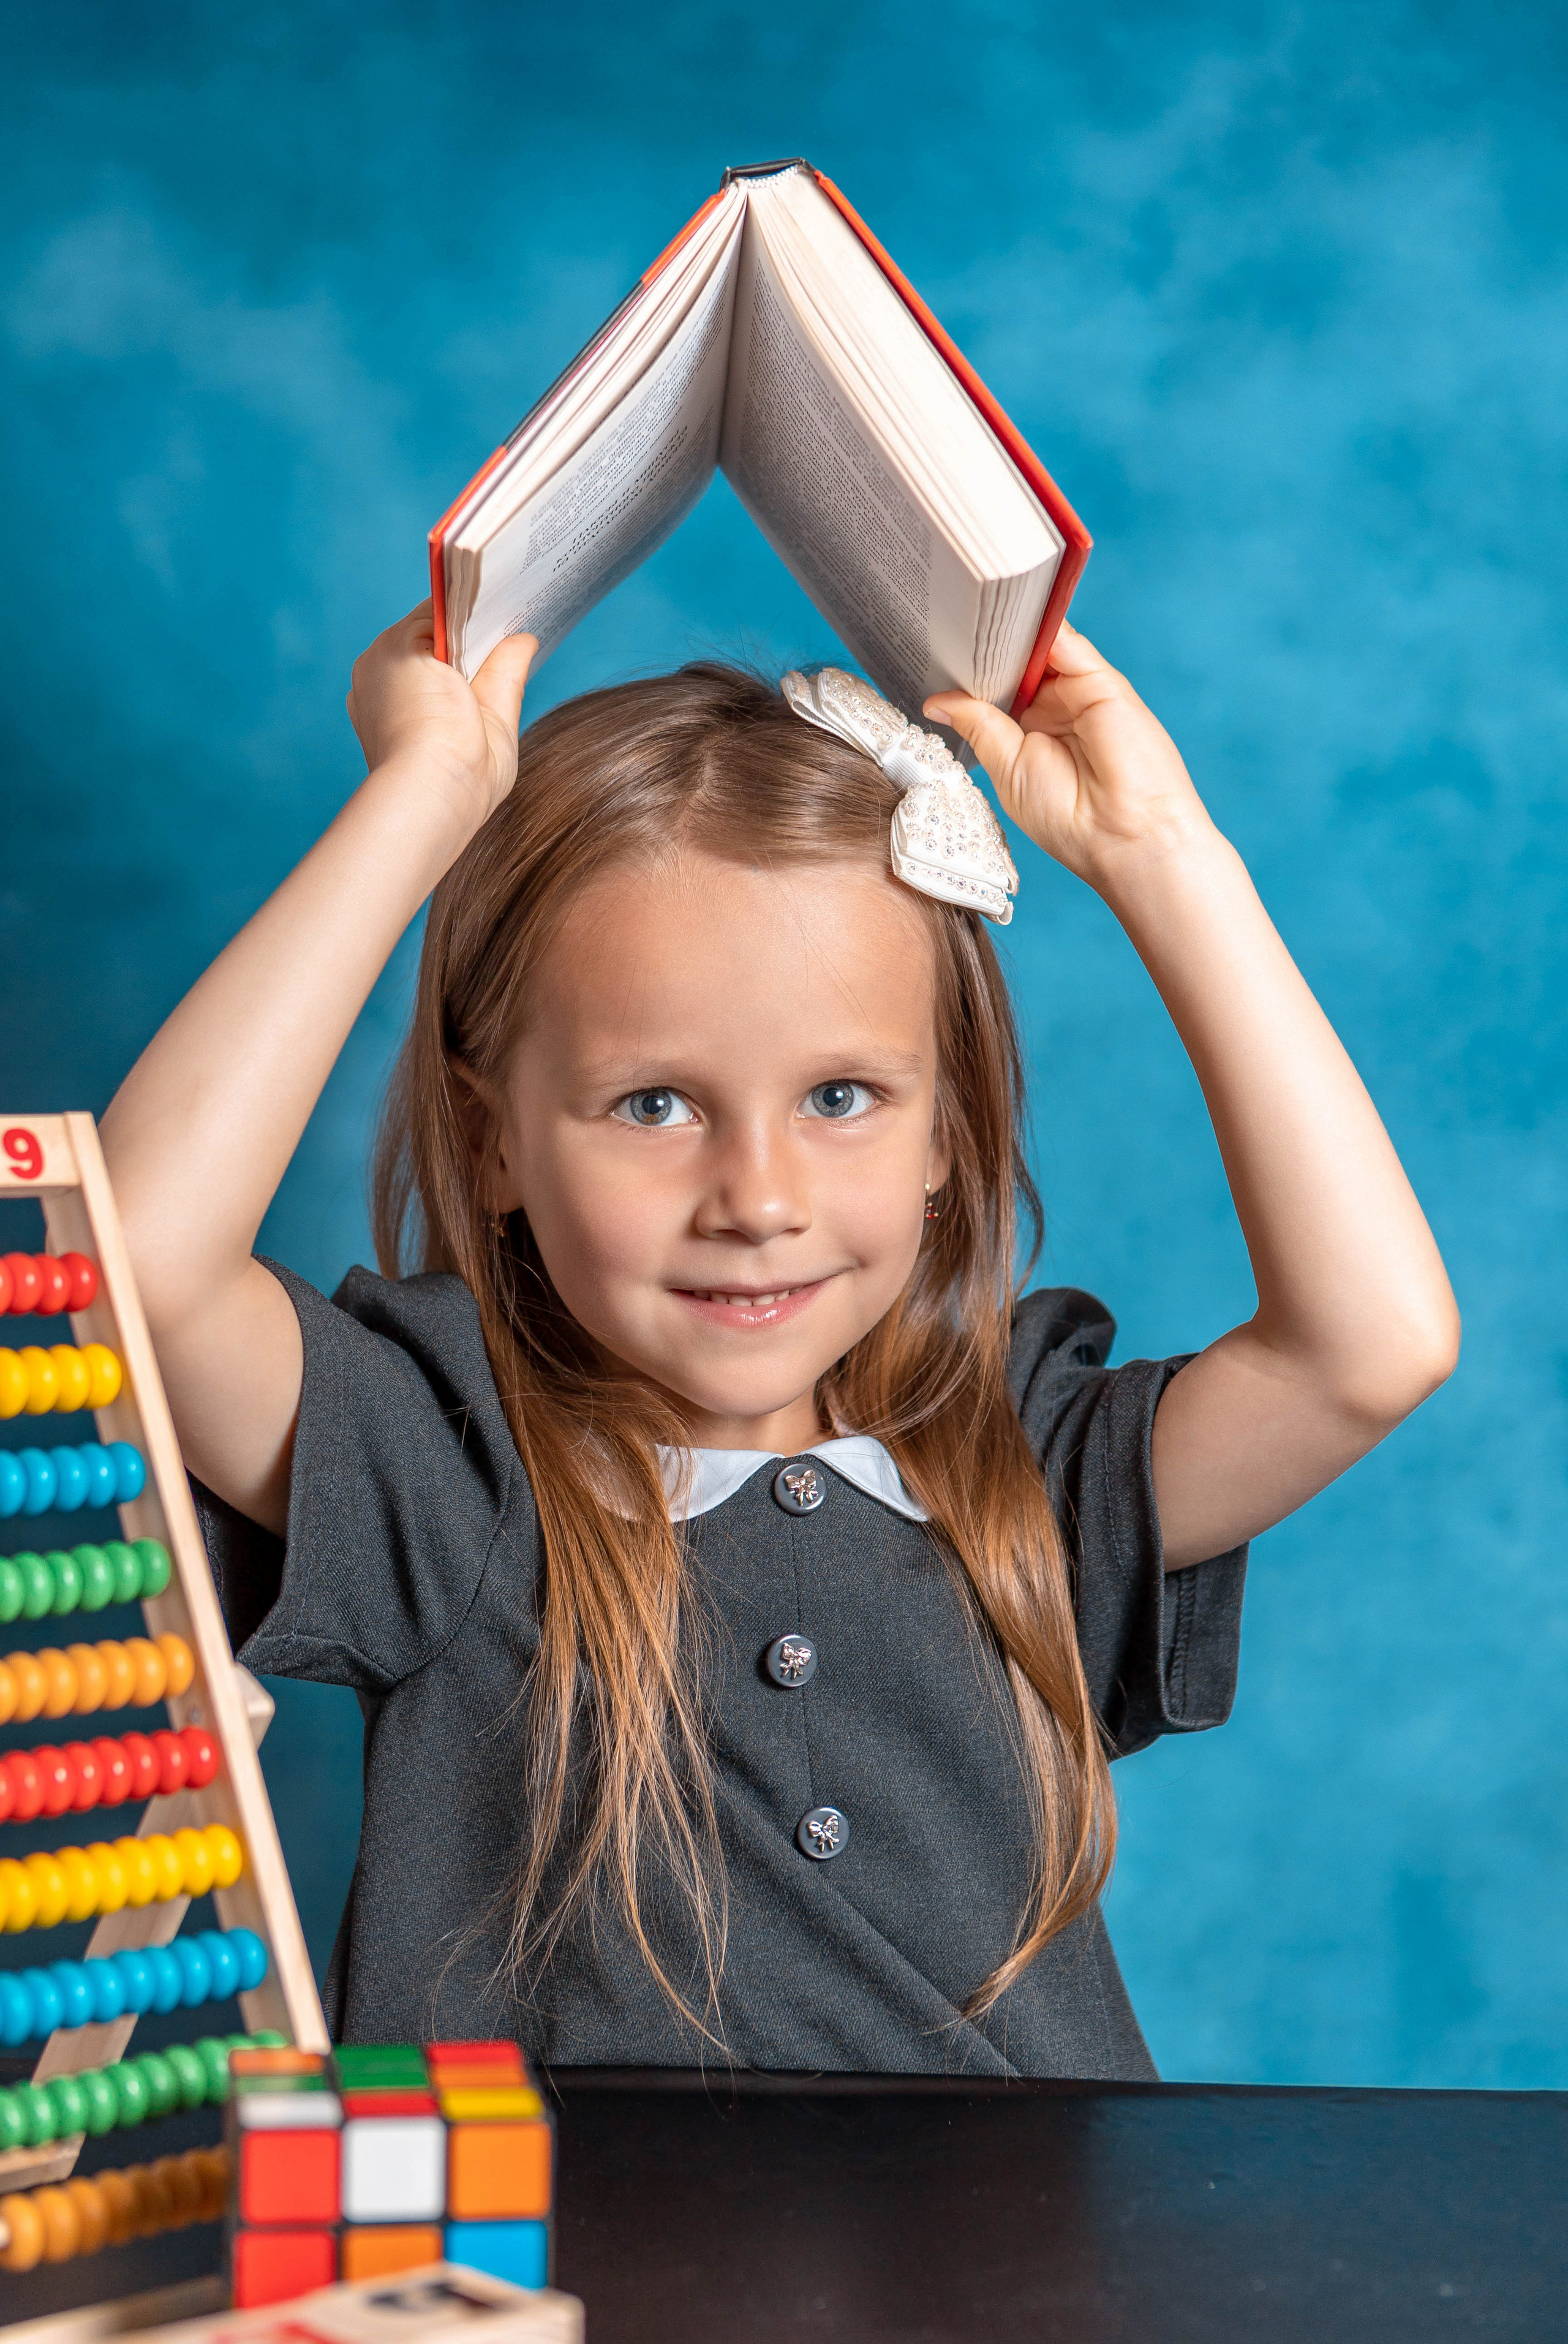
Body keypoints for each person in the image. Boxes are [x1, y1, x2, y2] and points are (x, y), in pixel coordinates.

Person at [99, 604, 1458, 2076]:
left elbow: (1368, 1345)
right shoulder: (443, 1463)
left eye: (838, 1099)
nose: (756, 1201)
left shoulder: (1023, 1463)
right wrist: (422, 801)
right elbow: (145, 1267)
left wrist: (1161, 858)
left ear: (950, 1132)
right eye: (652, 1105)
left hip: (1020, 2300)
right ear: (491, 1146)